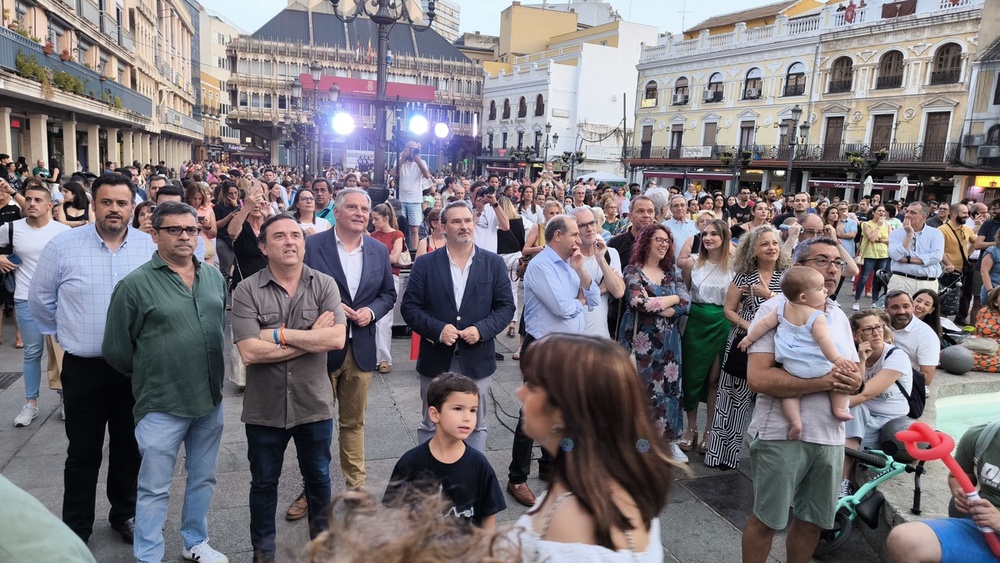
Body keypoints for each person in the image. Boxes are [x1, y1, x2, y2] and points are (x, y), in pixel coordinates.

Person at [29, 173, 155, 545]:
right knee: (82, 452)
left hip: (132, 368)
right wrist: (70, 333)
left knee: (129, 447)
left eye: (121, 202)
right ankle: (76, 527)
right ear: (93, 204)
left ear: (132, 207)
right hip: (84, 367)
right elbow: (41, 301)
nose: (114, 209)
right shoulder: (64, 246)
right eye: (106, 202)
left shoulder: (149, 247)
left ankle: (125, 514)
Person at [102, 201, 229, 563]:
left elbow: (218, 328)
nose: (186, 236)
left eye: (192, 229)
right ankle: (148, 555)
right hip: (162, 401)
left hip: (209, 398)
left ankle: (195, 542)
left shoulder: (214, 277)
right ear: (154, 234)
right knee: (154, 487)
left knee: (203, 478)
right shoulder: (135, 285)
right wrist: (153, 370)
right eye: (175, 230)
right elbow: (116, 349)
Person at [232, 213, 348, 562]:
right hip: (264, 408)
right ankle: (263, 552)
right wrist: (312, 337)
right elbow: (250, 352)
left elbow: (337, 338)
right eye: (279, 236)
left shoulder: (325, 284)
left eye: (296, 235)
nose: (290, 242)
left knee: (319, 480)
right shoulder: (246, 289)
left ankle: (322, 549)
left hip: (313, 404)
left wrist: (280, 335)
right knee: (264, 484)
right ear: (264, 247)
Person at [742, 237, 863, 563]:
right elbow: (759, 378)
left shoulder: (838, 314)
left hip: (830, 437)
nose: (832, 270)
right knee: (767, 520)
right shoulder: (775, 309)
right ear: (798, 268)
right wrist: (826, 381)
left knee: (813, 522)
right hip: (781, 434)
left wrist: (854, 380)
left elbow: (851, 374)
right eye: (822, 261)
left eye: (837, 262)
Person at [508, 334, 673, 561]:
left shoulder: (570, 519)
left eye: (533, 385)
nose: (520, 392)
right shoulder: (609, 478)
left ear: (565, 410)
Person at [295, 188, 396, 517]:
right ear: (335, 212)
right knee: (315, 425)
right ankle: (312, 490)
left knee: (354, 424)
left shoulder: (379, 251)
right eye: (351, 207)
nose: (359, 212)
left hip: (360, 347)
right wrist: (330, 305)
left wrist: (371, 312)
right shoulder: (313, 246)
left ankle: (356, 490)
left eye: (364, 208)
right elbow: (296, 288)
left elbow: (387, 294)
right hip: (322, 349)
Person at [401, 200, 515, 453]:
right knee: (433, 423)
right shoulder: (425, 264)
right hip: (436, 359)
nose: (464, 226)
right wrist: (438, 330)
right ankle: (431, 482)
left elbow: (506, 307)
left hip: (477, 359)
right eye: (456, 221)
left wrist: (483, 330)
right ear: (442, 227)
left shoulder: (493, 263)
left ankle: (470, 485)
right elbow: (409, 308)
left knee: (474, 424)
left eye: (467, 220)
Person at [508, 214, 599, 507]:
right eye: (574, 234)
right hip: (543, 349)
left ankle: (550, 466)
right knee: (531, 414)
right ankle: (516, 478)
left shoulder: (570, 264)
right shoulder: (541, 266)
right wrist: (580, 303)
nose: (579, 239)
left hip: (568, 348)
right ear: (557, 235)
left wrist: (581, 269)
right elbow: (561, 308)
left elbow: (594, 298)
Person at [705, 225, 788, 470]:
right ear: (753, 250)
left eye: (774, 243)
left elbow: (795, 305)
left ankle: (769, 459)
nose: (771, 247)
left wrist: (769, 294)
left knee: (771, 401)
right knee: (731, 397)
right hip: (743, 341)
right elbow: (728, 310)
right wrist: (750, 327)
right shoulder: (743, 276)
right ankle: (721, 455)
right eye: (765, 244)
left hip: (777, 344)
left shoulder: (787, 275)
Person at [740, 267, 855, 439]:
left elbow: (763, 325)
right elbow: (824, 340)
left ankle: (795, 423)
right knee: (837, 378)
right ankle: (839, 409)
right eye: (819, 289)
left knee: (790, 395)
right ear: (803, 297)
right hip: (819, 366)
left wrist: (748, 339)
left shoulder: (781, 308)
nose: (825, 290)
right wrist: (837, 359)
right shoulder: (817, 316)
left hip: (791, 367)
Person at [383, 373, 506, 530]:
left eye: (473, 410)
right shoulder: (410, 463)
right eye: (458, 408)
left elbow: (488, 516)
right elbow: (395, 516)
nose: (467, 417)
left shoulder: (479, 465)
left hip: (466, 552)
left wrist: (486, 552)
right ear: (435, 414)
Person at [619, 224, 690, 462]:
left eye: (667, 240)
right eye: (658, 239)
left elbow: (686, 304)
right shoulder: (632, 271)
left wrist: (669, 306)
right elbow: (639, 303)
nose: (663, 244)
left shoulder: (671, 272)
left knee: (669, 391)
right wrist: (674, 299)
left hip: (669, 345)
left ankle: (668, 441)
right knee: (641, 391)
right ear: (646, 242)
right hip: (641, 344)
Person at [1, 181, 69, 426]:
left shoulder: (62, 232)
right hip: (25, 298)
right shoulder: (10, 228)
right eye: (28, 199)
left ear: (50, 206)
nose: (31, 203)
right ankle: (31, 403)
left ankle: (64, 400)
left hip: (57, 301)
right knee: (31, 353)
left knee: (61, 352)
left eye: (38, 200)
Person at [886, 422, 1000, 563]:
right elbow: (958, 476)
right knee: (903, 539)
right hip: (980, 530)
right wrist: (961, 493)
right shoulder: (982, 437)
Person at [840, 309, 911, 498]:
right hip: (860, 415)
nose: (877, 333)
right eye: (869, 329)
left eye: (878, 327)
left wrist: (828, 408)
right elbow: (852, 390)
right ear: (856, 335)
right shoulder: (851, 356)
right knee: (851, 414)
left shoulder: (896, 357)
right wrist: (861, 361)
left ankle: (843, 483)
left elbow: (864, 394)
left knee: (837, 434)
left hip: (889, 421)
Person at [679, 218, 734, 456]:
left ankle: (710, 430)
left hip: (721, 322)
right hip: (695, 323)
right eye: (705, 234)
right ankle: (690, 428)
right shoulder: (692, 264)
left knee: (714, 380)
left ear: (724, 239)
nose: (708, 238)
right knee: (691, 378)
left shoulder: (734, 266)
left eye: (714, 234)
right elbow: (685, 291)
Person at [572, 207, 625, 338]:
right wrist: (601, 288)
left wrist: (601, 259)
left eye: (592, 223)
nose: (590, 229)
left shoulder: (610, 253)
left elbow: (618, 291)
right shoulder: (567, 257)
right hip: (571, 338)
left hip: (600, 337)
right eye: (583, 225)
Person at [370, 203, 405, 374]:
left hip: (390, 277)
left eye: (376, 219)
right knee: (373, 317)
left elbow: (395, 257)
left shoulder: (396, 234)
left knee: (385, 319)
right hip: (375, 277)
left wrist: (379, 258)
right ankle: (376, 357)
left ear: (386, 218)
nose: (374, 222)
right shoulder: (372, 235)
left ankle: (383, 358)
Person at [885, 290, 941, 387]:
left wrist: (893, 374)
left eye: (906, 306)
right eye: (895, 307)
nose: (901, 311)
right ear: (886, 309)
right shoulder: (879, 324)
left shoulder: (927, 335)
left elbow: (927, 378)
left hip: (904, 384)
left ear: (912, 307)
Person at [887, 202, 945, 296]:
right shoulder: (896, 233)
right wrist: (909, 235)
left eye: (913, 213)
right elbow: (895, 255)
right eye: (907, 211)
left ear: (924, 217)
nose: (908, 215)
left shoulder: (935, 234)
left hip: (927, 283)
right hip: (902, 281)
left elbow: (937, 257)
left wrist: (907, 259)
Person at [227, 181, 269, 289]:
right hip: (245, 285)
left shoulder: (270, 226)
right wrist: (246, 208)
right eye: (252, 203)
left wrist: (269, 216)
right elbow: (231, 232)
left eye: (259, 202)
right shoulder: (242, 224)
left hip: (270, 285)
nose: (256, 206)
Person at [939, 203, 976, 325]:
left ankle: (959, 319)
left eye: (967, 213)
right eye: (964, 213)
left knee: (965, 295)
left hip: (963, 270)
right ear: (954, 214)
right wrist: (948, 264)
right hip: (949, 272)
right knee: (945, 300)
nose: (967, 215)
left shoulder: (966, 229)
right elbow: (940, 251)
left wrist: (967, 256)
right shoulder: (942, 230)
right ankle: (940, 324)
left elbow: (975, 242)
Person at [391, 141, 432, 249]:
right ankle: (401, 249)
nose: (412, 151)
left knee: (415, 228)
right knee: (400, 227)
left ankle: (414, 251)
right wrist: (403, 159)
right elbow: (393, 174)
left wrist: (417, 160)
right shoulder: (399, 160)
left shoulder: (421, 161)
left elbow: (427, 175)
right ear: (405, 149)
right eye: (409, 149)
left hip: (415, 199)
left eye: (415, 149)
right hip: (401, 199)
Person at [497, 196, 526, 337]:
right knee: (513, 291)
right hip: (515, 255)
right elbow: (522, 239)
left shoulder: (496, 221)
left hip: (499, 256)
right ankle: (512, 322)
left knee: (495, 290)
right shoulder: (518, 219)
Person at [854, 204, 892, 310]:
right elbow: (871, 238)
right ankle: (857, 300)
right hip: (869, 254)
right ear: (873, 212)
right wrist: (879, 226)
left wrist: (880, 240)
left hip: (883, 254)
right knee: (864, 278)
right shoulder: (866, 224)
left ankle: (874, 301)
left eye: (883, 211)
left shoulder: (888, 224)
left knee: (878, 279)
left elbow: (890, 239)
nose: (881, 213)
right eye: (879, 211)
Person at [471, 182, 511, 254]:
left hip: (490, 256)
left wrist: (495, 203)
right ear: (471, 194)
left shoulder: (492, 209)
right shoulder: (465, 209)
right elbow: (468, 230)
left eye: (484, 192)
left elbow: (506, 227)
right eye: (479, 192)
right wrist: (478, 211)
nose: (482, 195)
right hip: (473, 255)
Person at [186, 182, 218, 266]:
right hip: (188, 245)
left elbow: (214, 234)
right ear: (189, 197)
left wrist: (208, 227)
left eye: (200, 199)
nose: (197, 202)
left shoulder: (208, 209)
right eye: (194, 198)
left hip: (205, 246)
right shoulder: (183, 209)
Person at [663, 194, 699, 261]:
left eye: (682, 205)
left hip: (692, 266)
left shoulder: (695, 225)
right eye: (676, 206)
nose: (679, 208)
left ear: (686, 207)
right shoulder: (664, 227)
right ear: (670, 209)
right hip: (671, 267)